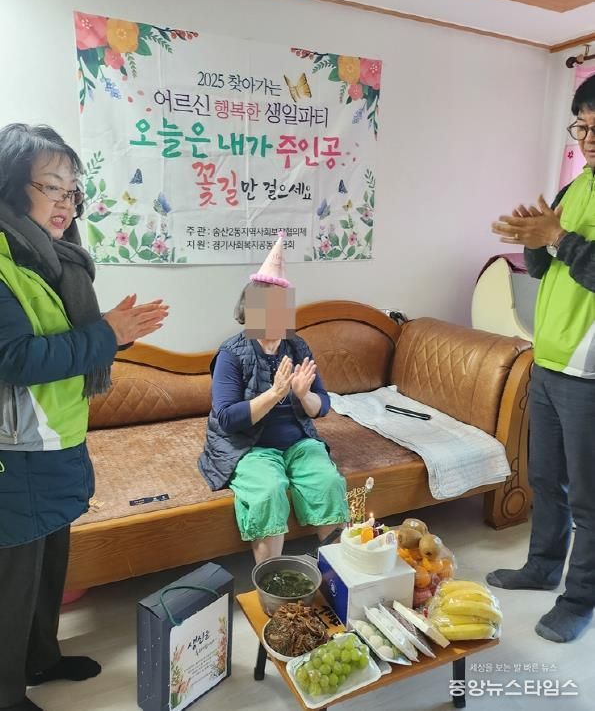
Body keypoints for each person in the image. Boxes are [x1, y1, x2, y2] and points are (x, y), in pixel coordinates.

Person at [0, 123, 169, 711]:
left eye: (72, 191)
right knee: (12, 583)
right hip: (15, 450)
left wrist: (109, 336)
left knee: (50, 567)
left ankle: (42, 658)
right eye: (51, 187)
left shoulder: (56, 261)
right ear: (10, 186)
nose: (66, 204)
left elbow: (63, 345)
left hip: (58, 438)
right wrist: (104, 335)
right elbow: (15, 359)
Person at [489, 74, 595, 643]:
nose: (589, 139)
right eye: (583, 126)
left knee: (589, 499)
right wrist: (533, 239)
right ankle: (542, 566)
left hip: (589, 374)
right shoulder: (573, 187)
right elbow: (542, 268)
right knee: (545, 479)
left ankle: (579, 602)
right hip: (549, 361)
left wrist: (556, 237)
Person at [199, 234, 349, 563]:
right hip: (248, 446)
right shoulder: (231, 353)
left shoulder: (297, 346)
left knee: (327, 482)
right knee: (269, 491)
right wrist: (274, 393)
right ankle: (273, 579)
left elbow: (322, 405)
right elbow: (227, 418)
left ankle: (337, 574)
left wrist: (303, 395)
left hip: (298, 442)